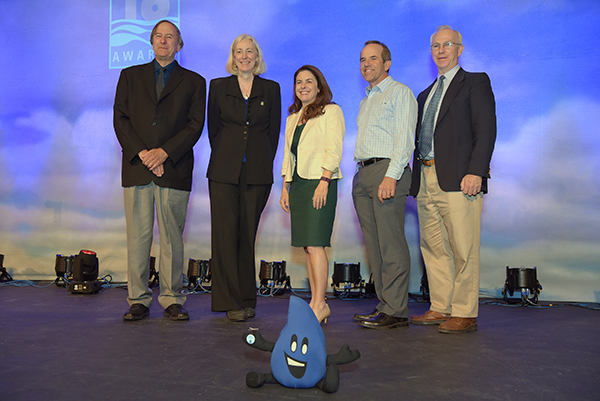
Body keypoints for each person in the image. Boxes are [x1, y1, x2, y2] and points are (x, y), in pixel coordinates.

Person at [113, 20, 206, 321]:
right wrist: (143, 154)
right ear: (151, 42)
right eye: (158, 36)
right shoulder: (130, 76)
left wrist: (164, 153)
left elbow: (195, 125)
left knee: (171, 238)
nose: (164, 41)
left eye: (170, 37)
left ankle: (171, 298)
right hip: (138, 168)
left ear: (179, 45)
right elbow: (121, 119)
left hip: (174, 168)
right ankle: (138, 299)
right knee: (138, 237)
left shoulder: (194, 81)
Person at [409, 25, 496, 334]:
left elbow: (485, 131)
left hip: (460, 180)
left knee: (463, 247)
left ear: (460, 49)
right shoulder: (424, 94)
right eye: (435, 46)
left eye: (447, 44)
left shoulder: (475, 82)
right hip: (426, 178)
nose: (441, 50)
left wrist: (476, 171)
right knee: (434, 248)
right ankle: (441, 306)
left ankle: (464, 312)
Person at [207, 34, 281, 322]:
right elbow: (214, 130)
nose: (245, 56)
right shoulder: (218, 87)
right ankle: (229, 302)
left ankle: (247, 299)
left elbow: (272, 133)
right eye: (239, 51)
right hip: (224, 173)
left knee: (246, 236)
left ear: (257, 56)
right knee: (225, 237)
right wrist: (231, 156)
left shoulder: (271, 88)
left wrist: (257, 160)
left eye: (250, 51)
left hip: (257, 174)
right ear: (233, 56)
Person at [351, 41, 417, 329]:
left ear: (387, 63)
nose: (367, 64)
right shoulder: (367, 100)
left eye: (373, 59)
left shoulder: (399, 92)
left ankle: (397, 309)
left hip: (387, 171)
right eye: (363, 59)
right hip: (363, 173)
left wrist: (391, 175)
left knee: (390, 243)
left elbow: (404, 140)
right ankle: (384, 305)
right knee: (375, 246)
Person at [280, 65, 345, 324]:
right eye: (299, 82)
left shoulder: (332, 111)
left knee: (317, 245)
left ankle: (320, 303)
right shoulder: (293, 117)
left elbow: (334, 150)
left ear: (319, 86)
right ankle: (315, 302)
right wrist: (286, 186)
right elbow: (289, 155)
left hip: (320, 183)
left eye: (309, 81)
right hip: (298, 186)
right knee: (308, 247)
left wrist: (324, 181)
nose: (303, 86)